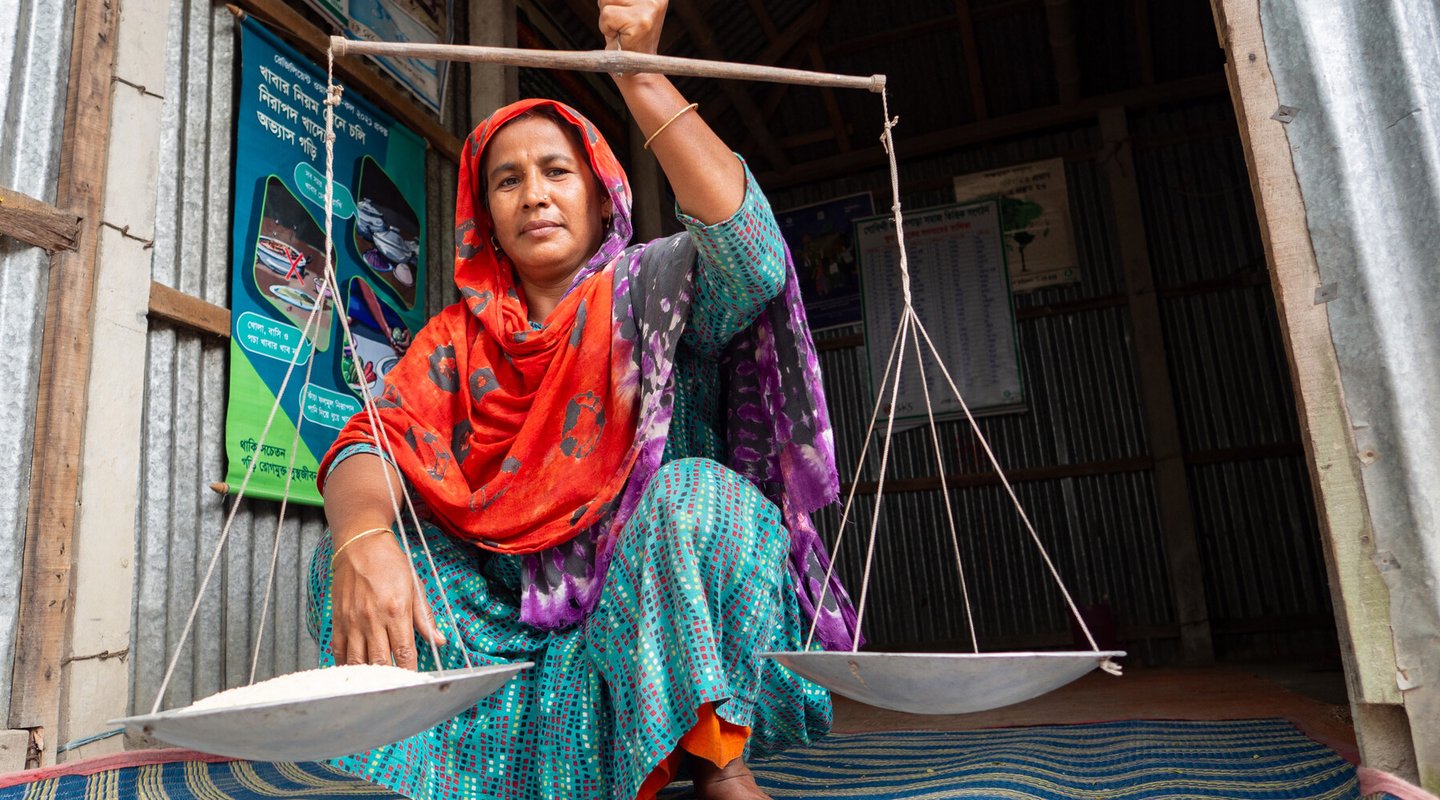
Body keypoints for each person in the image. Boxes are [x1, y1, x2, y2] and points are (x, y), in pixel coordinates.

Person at [307, 1, 858, 798]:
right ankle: (509, 773)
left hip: (651, 613)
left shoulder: (658, 284)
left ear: (603, 196)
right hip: (515, 634)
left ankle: (715, 764)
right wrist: (363, 538)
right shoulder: (459, 340)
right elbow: (372, 442)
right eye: (507, 181)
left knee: (696, 498)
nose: (534, 195)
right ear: (486, 219)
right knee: (343, 563)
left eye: (556, 172)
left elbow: (753, 258)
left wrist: (640, 75)